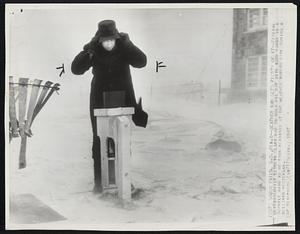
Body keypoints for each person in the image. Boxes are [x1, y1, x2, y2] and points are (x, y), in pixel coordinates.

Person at [71, 20, 147, 193]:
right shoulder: (94, 49)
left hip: (123, 98)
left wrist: (128, 44)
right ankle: (99, 183)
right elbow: (76, 69)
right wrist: (88, 49)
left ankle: (124, 180)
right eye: (105, 41)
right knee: (99, 140)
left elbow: (142, 62)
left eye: (112, 40)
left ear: (117, 38)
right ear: (99, 40)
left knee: (122, 138)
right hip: (99, 100)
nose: (109, 44)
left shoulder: (124, 48)